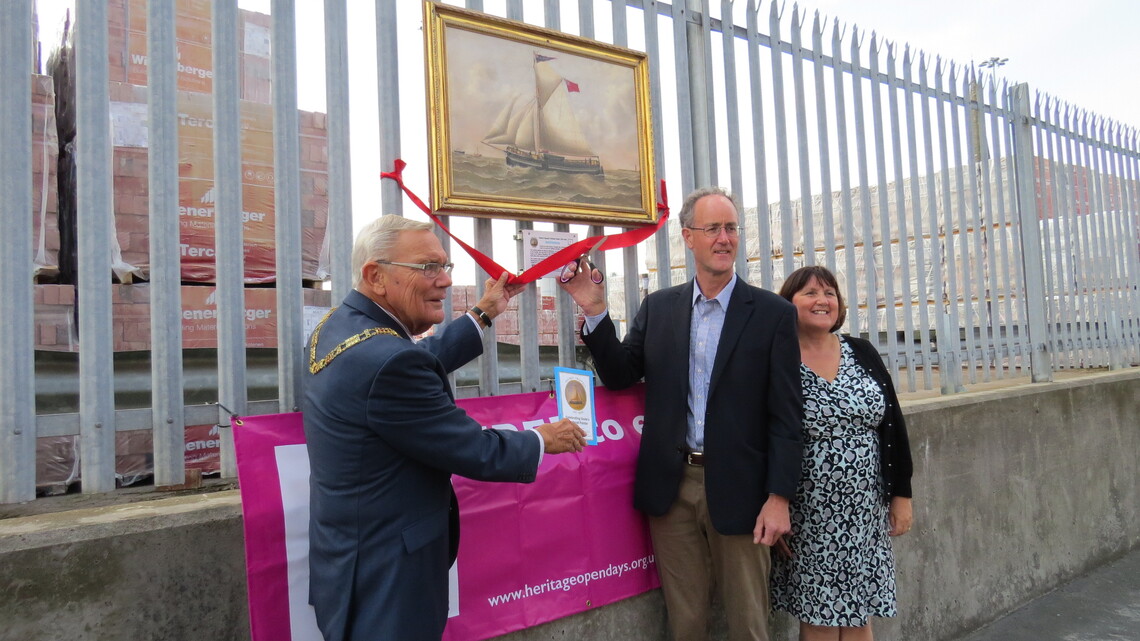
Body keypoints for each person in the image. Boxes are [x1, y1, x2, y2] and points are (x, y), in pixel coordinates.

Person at [303, 215, 588, 641]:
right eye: (427, 268)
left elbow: (412, 362)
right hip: (391, 577)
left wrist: (484, 313)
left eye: (445, 267)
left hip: (350, 561)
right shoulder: (388, 361)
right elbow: (473, 448)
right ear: (375, 275)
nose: (445, 281)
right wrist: (541, 438)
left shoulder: (336, 327)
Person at [558, 186, 804, 641]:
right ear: (688, 237)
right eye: (713, 228)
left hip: (744, 489)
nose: (725, 238)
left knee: (749, 622)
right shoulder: (661, 307)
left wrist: (779, 498)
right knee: (685, 622)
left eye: (731, 228)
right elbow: (619, 375)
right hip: (672, 488)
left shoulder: (772, 314)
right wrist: (594, 312)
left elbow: (788, 415)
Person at [770, 265, 914, 641]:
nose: (823, 301)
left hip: (865, 510)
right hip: (809, 512)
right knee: (818, 615)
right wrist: (772, 501)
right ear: (788, 303)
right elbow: (763, 435)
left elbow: (892, 425)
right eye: (811, 293)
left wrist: (901, 494)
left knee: (859, 614)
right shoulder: (778, 359)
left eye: (830, 293)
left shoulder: (861, 351)